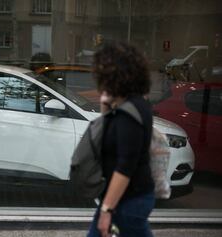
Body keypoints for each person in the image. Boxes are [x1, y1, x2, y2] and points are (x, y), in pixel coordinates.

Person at [87, 42, 155, 237]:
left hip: (128, 201)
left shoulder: (129, 113)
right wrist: (106, 106)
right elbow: (103, 136)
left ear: (115, 75)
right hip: (121, 199)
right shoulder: (131, 105)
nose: (98, 77)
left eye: (102, 72)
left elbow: (125, 166)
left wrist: (107, 210)